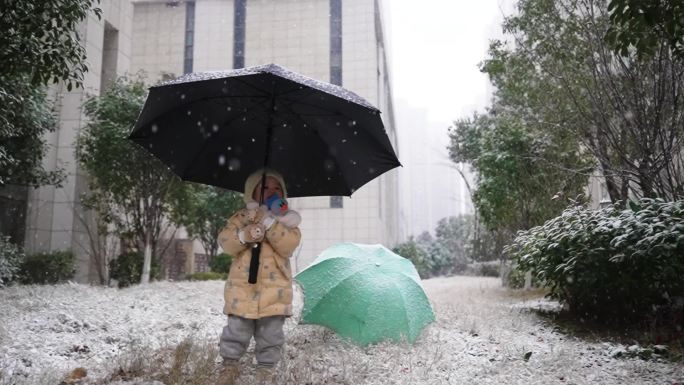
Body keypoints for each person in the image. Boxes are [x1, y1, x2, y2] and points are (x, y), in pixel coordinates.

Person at [216, 168, 302, 385]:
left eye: (277, 189)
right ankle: (230, 364)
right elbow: (225, 242)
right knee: (236, 329)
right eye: (265, 188)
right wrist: (244, 235)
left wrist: (270, 224)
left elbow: (288, 246)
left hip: (275, 290)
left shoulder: (287, 221)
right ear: (251, 194)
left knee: (270, 334)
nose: (272, 191)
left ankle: (266, 369)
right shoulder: (242, 217)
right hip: (242, 288)